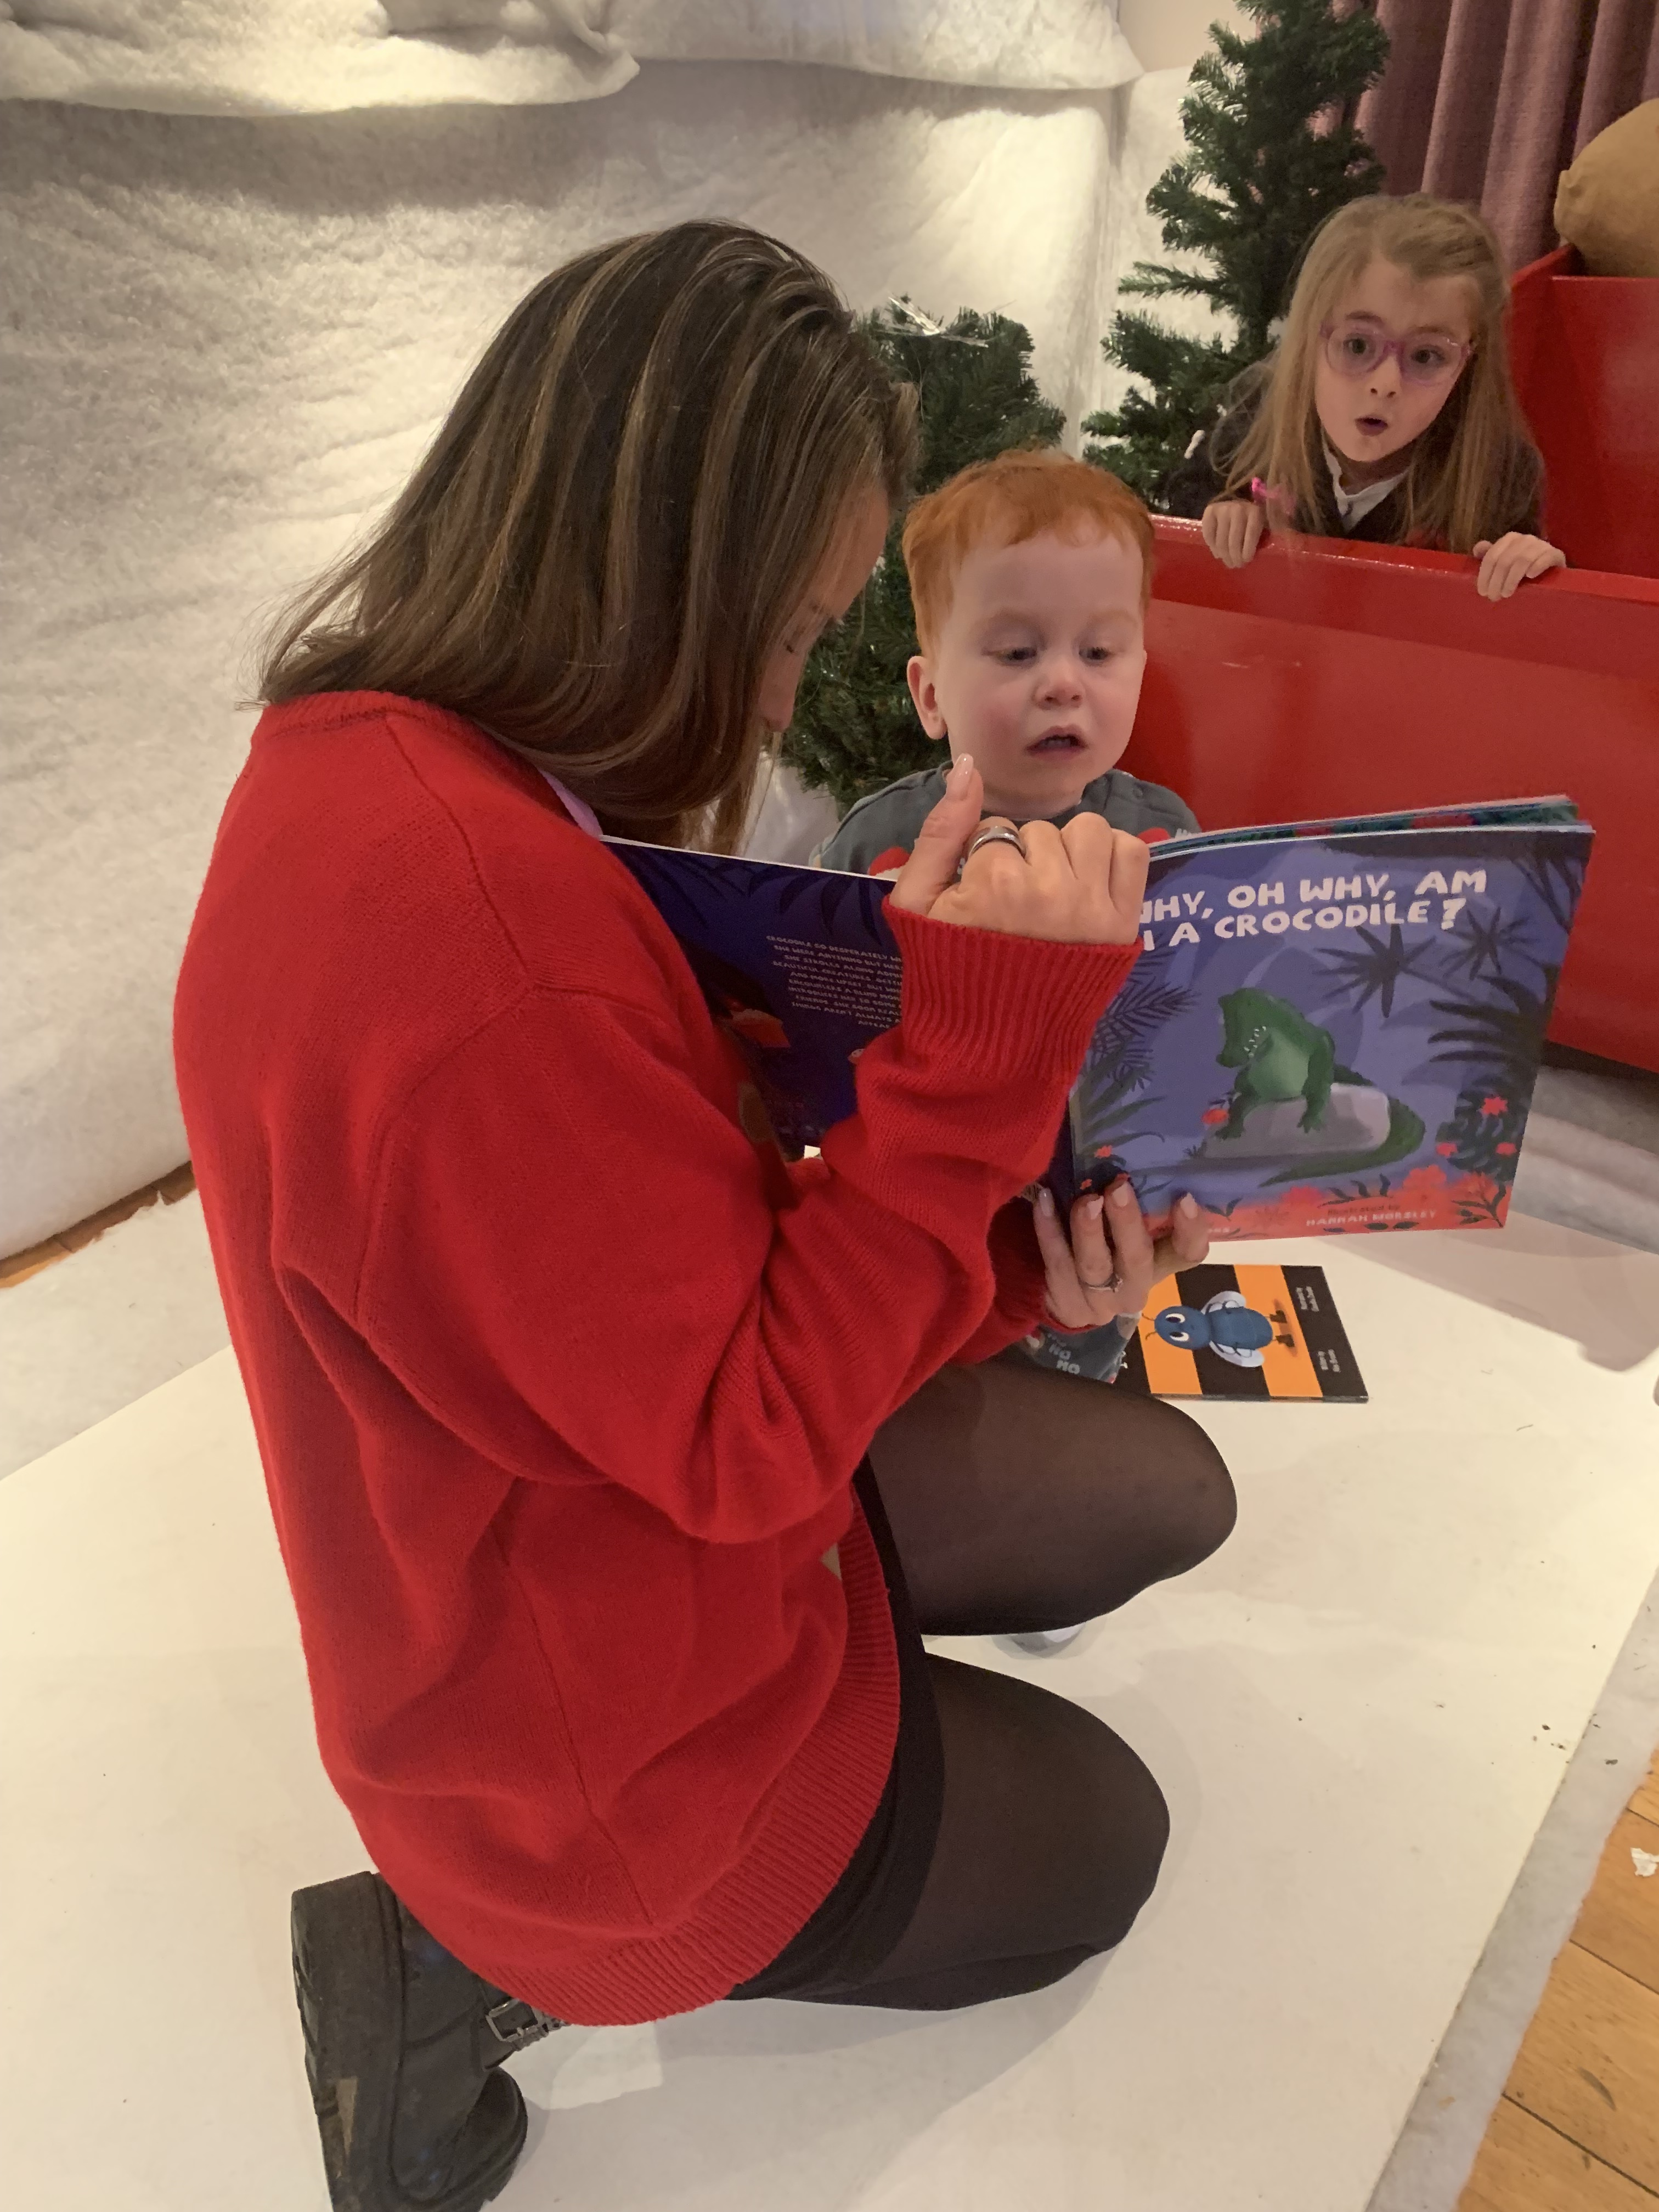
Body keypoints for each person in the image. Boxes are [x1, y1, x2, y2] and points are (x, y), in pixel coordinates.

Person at [173, 222, 1234, 2212]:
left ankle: (774, 1753)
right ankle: (455, 1956)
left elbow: (668, 1307)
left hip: (580, 1543)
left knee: (1160, 1488)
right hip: (596, 1765)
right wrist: (983, 1064)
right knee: (1105, 1841)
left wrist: (1010, 1258)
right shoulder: (491, 964)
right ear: (662, 578)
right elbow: (744, 1439)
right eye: (783, 632)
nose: (770, 699)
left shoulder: (383, 769)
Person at [1163, 194, 1567, 602]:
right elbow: (1185, 500)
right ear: (1309, 336)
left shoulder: (1497, 470)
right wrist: (1221, 511)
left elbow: (1520, 619)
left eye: (1427, 355)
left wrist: (1530, 570)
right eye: (1357, 345)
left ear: (1469, 361)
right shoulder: (1259, 410)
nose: (1386, 383)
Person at [819, 449, 1197, 879]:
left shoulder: (1166, 837)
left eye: (1098, 652)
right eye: (1017, 652)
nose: (1063, 684)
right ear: (931, 697)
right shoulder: (876, 842)